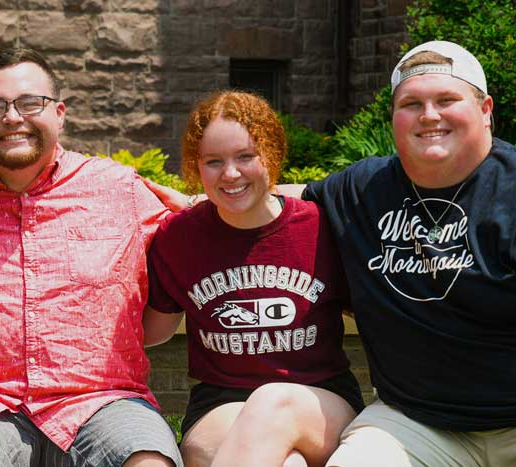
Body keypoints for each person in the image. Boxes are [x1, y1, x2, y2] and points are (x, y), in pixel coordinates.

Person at [156, 41, 516, 467]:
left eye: (446, 99)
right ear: (394, 115)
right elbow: (281, 196)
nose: (429, 115)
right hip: (415, 422)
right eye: (411, 103)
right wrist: (207, 197)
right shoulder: (363, 188)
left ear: (485, 109)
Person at [0, 47, 183, 467]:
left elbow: (220, 224)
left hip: (100, 403)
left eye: (30, 103)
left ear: (59, 113)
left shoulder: (121, 192)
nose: (12, 117)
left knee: (149, 461)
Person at [142, 90, 363, 467]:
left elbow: (373, 313)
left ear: (270, 155)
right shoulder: (180, 238)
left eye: (245, 157)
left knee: (270, 401)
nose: (230, 174)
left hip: (320, 398)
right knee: (287, 462)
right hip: (221, 401)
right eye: (214, 161)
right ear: (197, 166)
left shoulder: (319, 228)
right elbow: (155, 331)